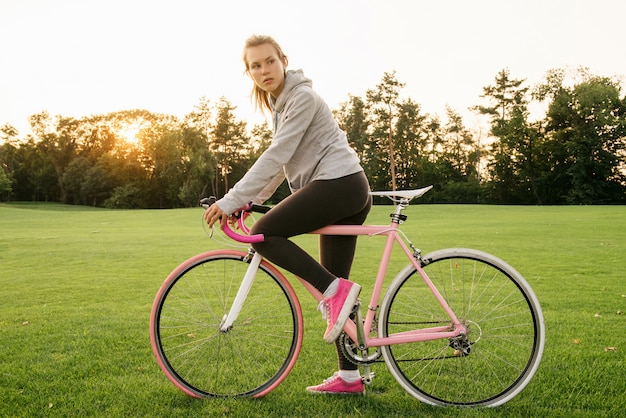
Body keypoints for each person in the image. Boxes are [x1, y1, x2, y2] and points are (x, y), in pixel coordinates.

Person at [204, 35, 372, 395]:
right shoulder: (283, 104)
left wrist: (233, 200)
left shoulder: (302, 97)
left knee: (265, 234)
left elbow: (278, 154)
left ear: (283, 60)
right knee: (338, 286)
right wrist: (252, 198)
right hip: (344, 188)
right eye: (255, 65)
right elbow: (283, 166)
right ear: (248, 72)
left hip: (338, 185)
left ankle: (335, 292)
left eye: (269, 61)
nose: (264, 70)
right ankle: (349, 378)